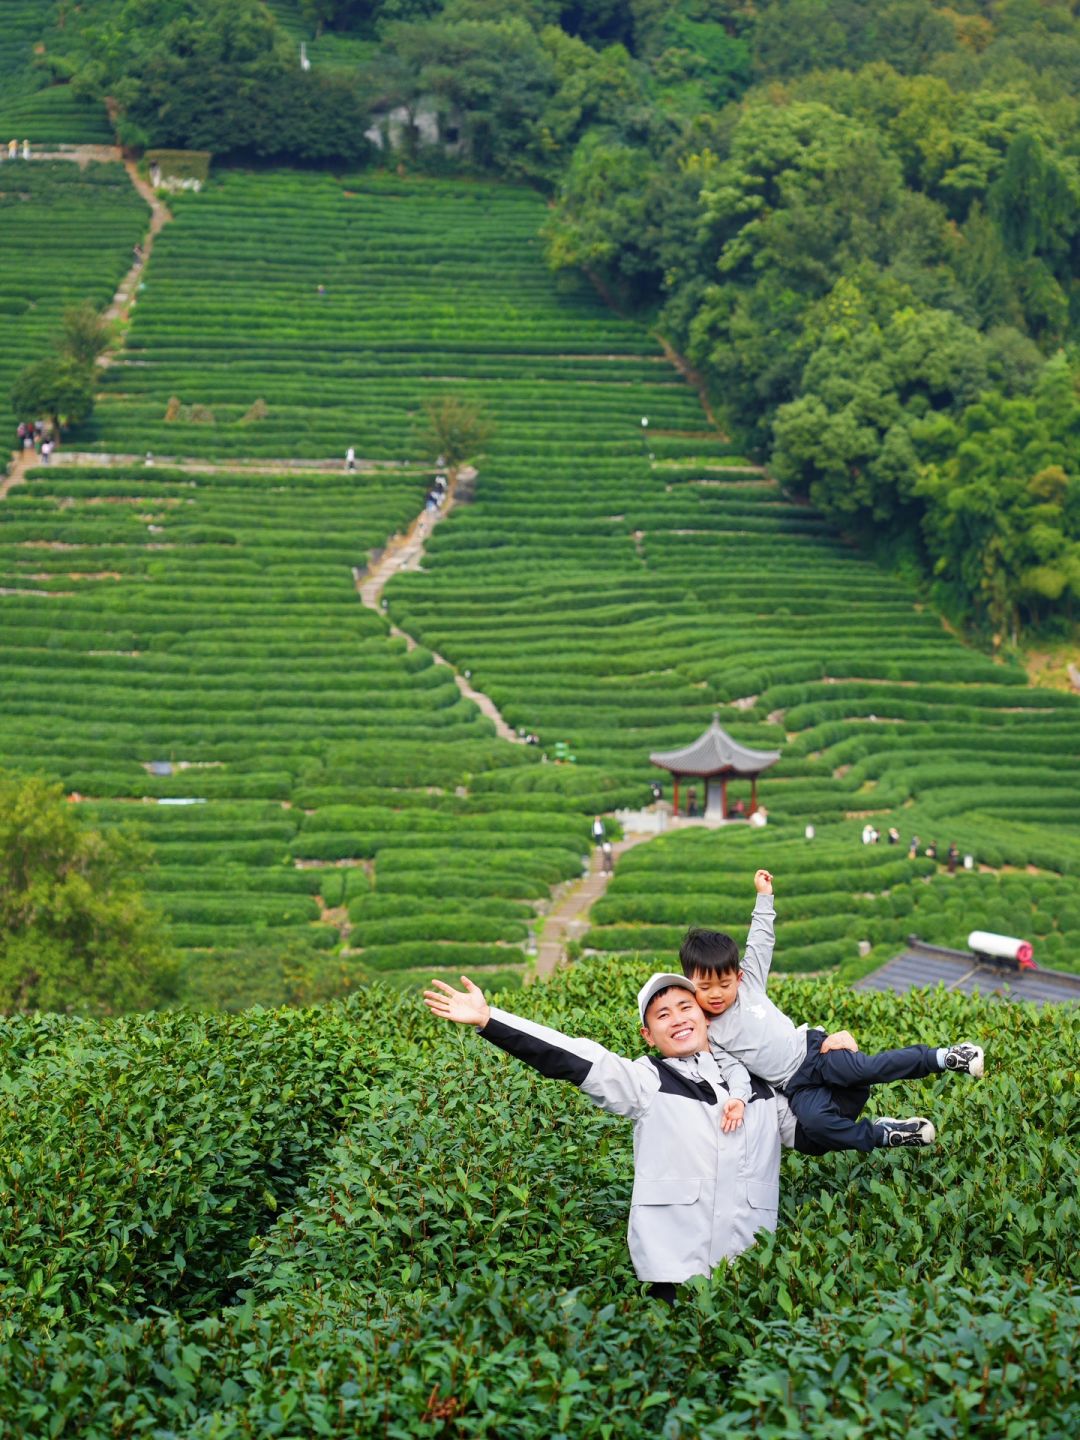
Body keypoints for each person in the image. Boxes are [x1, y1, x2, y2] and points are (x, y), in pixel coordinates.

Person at [422, 973, 860, 1301]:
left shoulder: (761, 1088)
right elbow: (572, 1057)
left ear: (707, 1016)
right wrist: (489, 1020)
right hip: (671, 1274)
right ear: (648, 1035)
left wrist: (850, 1071)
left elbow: (818, 1133)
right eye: (662, 1015)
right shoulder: (647, 1080)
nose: (678, 1019)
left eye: (686, 1008)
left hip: (753, 1272)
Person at [681, 870, 985, 1154]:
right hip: (794, 1086)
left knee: (868, 1068)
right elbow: (733, 1069)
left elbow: (761, 941)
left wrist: (764, 896)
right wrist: (737, 1097)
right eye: (705, 987)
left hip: (815, 1051)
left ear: (738, 977)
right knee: (816, 1126)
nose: (717, 993)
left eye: (724, 983)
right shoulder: (710, 1033)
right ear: (690, 985)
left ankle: (945, 1057)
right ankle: (882, 1133)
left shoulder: (750, 984)